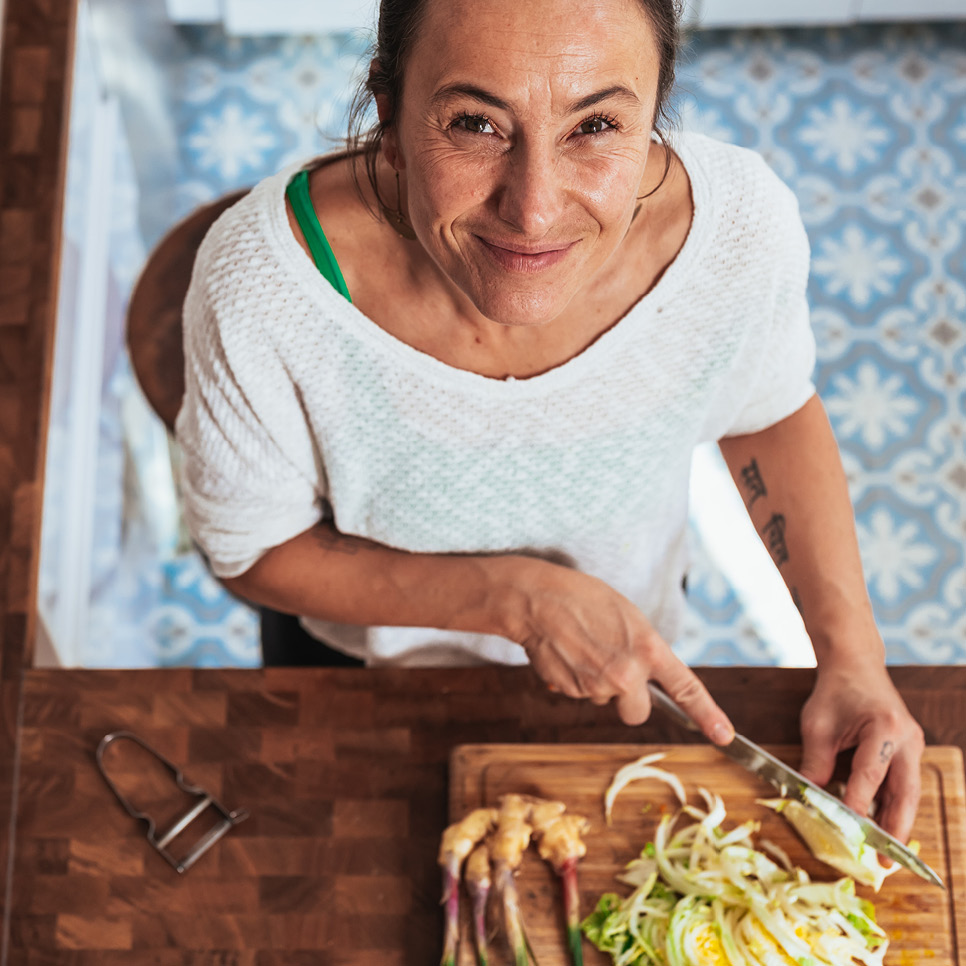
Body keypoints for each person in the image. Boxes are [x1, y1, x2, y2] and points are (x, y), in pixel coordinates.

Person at [175, 0, 924, 842]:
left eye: (596, 124)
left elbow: (769, 409)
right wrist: (518, 600)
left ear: (654, 115)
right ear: (387, 114)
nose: (533, 211)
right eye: (475, 123)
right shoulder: (263, 287)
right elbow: (251, 551)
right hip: (365, 673)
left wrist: (853, 657)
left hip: (623, 653)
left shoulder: (737, 233)